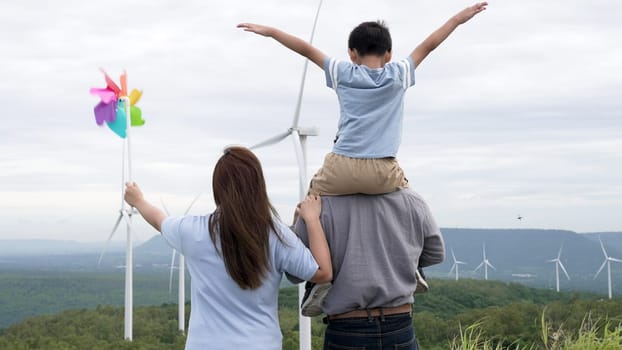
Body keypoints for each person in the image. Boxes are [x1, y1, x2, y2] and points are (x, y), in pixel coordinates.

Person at [238, 2, 488, 196]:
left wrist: (270, 31)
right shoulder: (398, 74)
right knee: (412, 208)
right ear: (389, 54)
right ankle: (418, 260)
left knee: (307, 208)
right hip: (383, 170)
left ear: (351, 53)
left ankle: (304, 254)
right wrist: (457, 19)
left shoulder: (342, 72)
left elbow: (305, 49)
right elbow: (429, 45)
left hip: (341, 166)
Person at [123, 146, 332, 350]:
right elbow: (322, 272)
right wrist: (312, 219)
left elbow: (159, 220)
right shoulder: (276, 234)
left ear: (218, 188)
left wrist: (138, 200)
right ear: (258, 185)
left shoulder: (193, 231)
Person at [291, 189, 445, 349]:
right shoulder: (412, 200)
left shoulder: (317, 205)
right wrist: (398, 262)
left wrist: (297, 226)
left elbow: (295, 273)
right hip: (400, 324)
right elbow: (436, 254)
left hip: (347, 329)